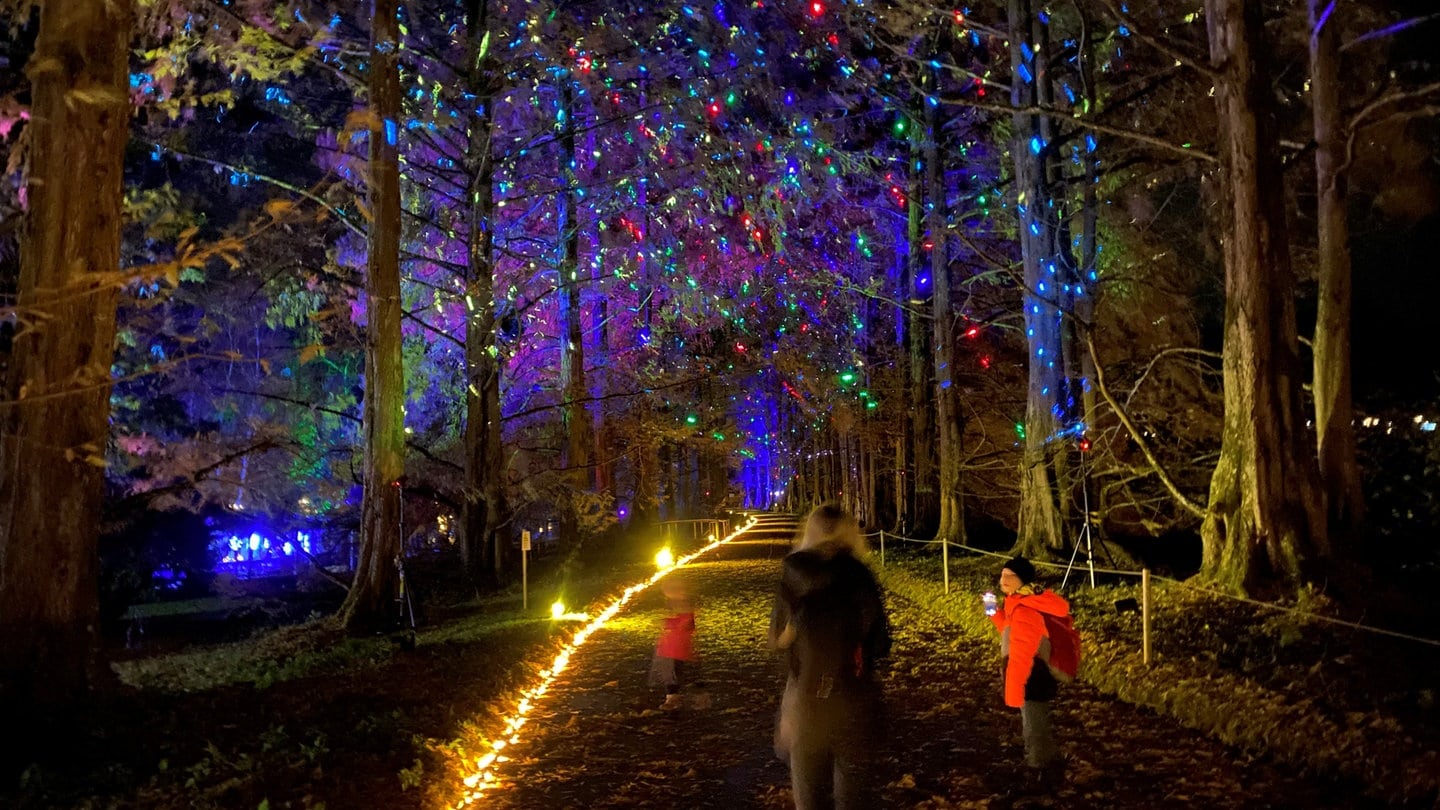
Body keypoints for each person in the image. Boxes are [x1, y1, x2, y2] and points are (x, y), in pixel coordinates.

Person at [769, 504, 891, 810]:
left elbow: (777, 638)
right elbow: (880, 643)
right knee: (853, 791)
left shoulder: (793, 571)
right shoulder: (859, 573)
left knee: (809, 791)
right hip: (852, 693)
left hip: (805, 694)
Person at [986, 555, 1069, 791]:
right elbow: (1007, 628)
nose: (1003, 580)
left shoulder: (1027, 605)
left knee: (1033, 722)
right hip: (1027, 672)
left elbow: (1024, 647)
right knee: (1033, 719)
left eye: (1009, 576)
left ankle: (1039, 771)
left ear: (1022, 579)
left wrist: (1014, 685)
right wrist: (992, 609)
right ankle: (1049, 761)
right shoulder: (1018, 601)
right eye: (1002, 575)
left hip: (1031, 673)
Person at [651, 577, 696, 710]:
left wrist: (668, 624)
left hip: (675, 646)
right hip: (671, 645)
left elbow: (686, 623)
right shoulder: (676, 603)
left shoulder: (682, 604)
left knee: (672, 671)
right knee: (671, 670)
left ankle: (673, 697)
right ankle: (673, 695)